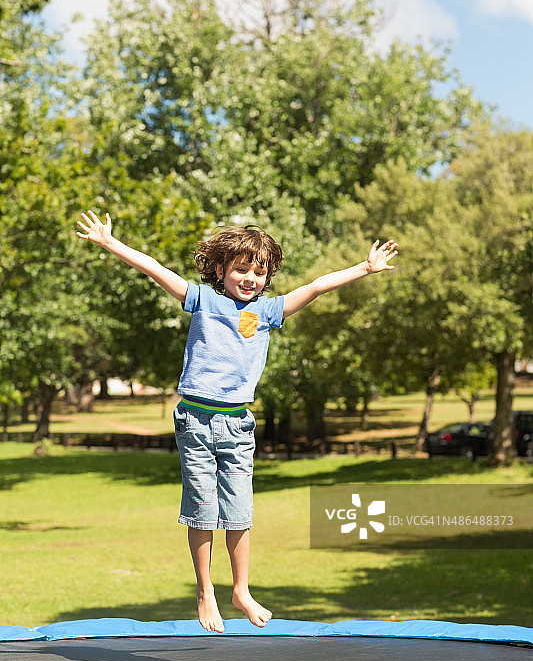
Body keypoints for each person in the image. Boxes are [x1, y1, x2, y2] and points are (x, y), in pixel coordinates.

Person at [76, 209, 398, 633]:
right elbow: (155, 268)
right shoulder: (202, 300)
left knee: (239, 512)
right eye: (241, 269)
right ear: (220, 270)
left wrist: (365, 268)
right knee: (203, 510)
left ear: (268, 278)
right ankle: (205, 590)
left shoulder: (268, 312)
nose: (250, 278)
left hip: (238, 425)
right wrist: (109, 243)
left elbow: (317, 286)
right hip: (195, 419)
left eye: (259, 272)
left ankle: (241, 590)